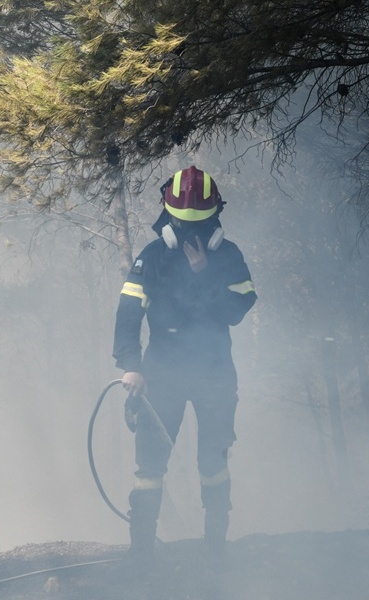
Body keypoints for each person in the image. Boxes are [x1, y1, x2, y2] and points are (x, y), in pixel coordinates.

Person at [112, 165, 257, 563]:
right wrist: (131, 364)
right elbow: (128, 314)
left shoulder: (227, 256)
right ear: (168, 218)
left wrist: (205, 275)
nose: (192, 232)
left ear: (216, 219)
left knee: (213, 459)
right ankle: (141, 554)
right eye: (183, 223)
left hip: (214, 372)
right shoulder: (153, 257)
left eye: (201, 223)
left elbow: (238, 309)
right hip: (162, 372)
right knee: (150, 462)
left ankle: (215, 550)